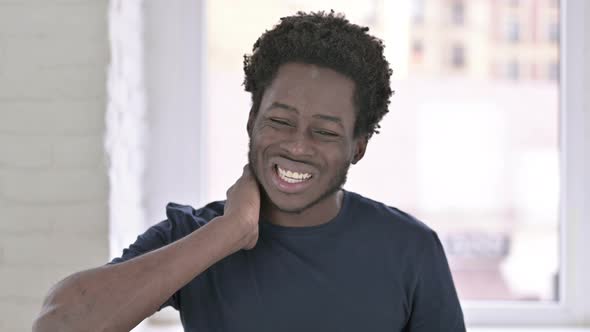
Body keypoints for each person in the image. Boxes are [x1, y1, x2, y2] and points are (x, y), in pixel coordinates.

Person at [34, 11, 465, 332]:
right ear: (252, 118)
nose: (297, 145)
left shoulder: (409, 250)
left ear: (358, 146)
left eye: (324, 132)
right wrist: (229, 232)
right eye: (279, 121)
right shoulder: (194, 233)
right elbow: (56, 325)